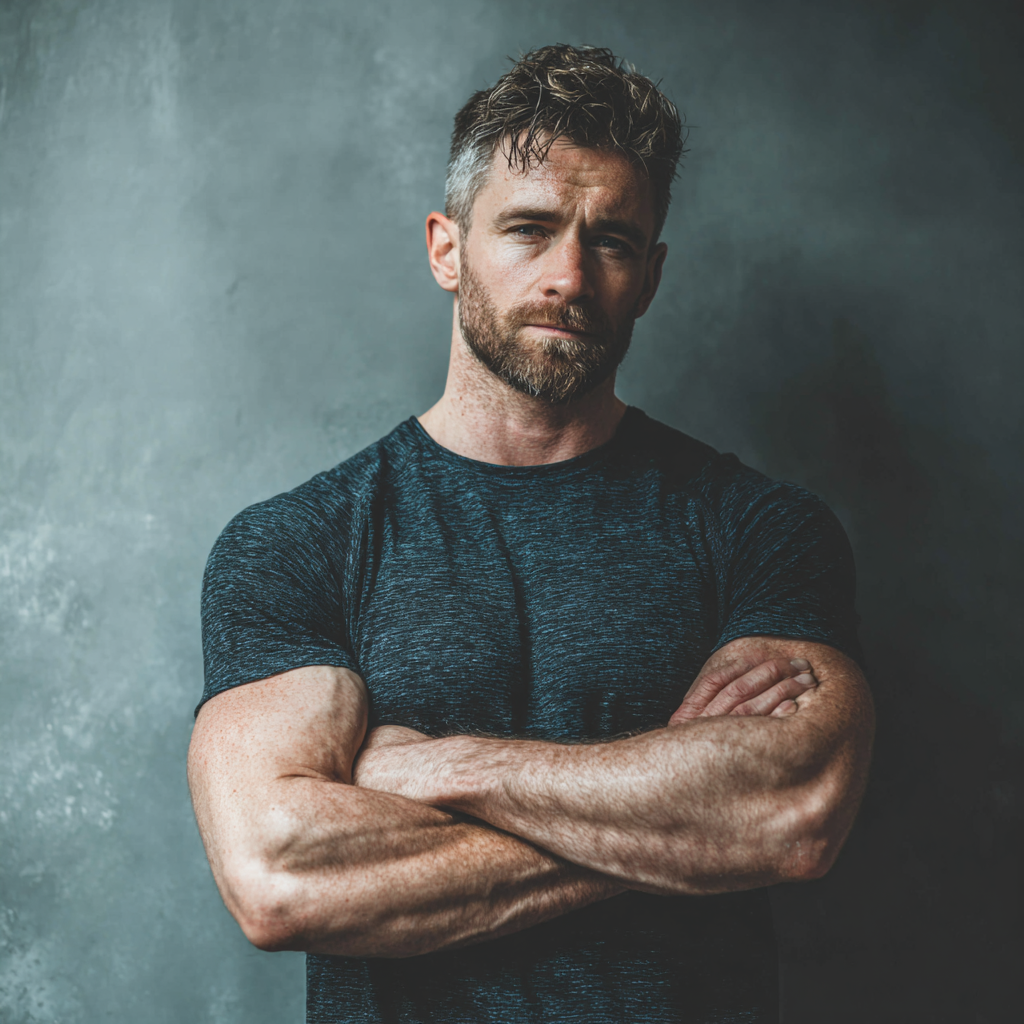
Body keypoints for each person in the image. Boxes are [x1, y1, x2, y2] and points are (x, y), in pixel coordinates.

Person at [188, 44, 874, 1024]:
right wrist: (678, 818)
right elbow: (281, 876)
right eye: (528, 228)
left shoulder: (761, 530)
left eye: (613, 240)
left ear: (651, 276)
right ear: (445, 246)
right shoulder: (298, 543)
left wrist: (439, 766)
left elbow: (790, 812)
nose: (568, 275)